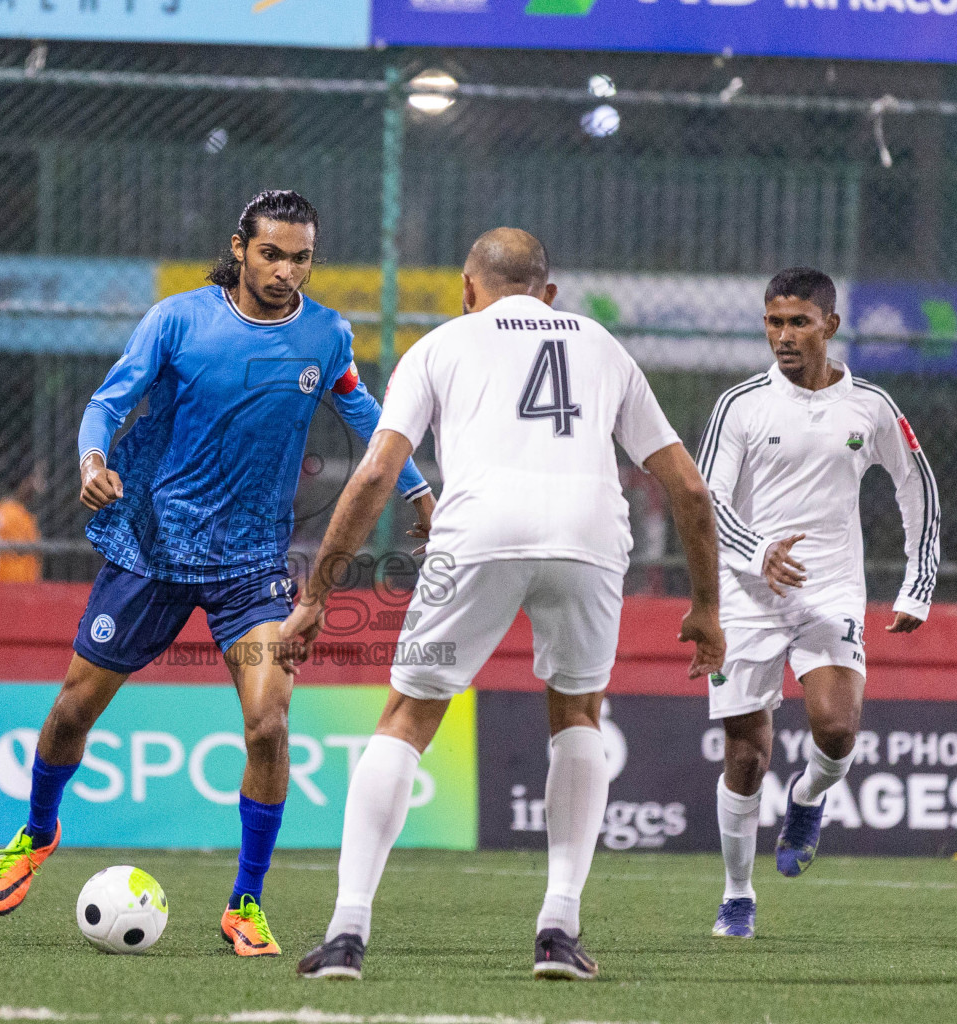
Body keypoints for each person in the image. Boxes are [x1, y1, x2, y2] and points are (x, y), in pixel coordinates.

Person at [0, 190, 435, 959]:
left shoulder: (327, 336)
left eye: (301, 258)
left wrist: (419, 487)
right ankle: (38, 828)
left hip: (251, 563)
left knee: (268, 725)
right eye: (272, 254)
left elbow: (364, 414)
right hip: (153, 550)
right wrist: (93, 461)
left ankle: (245, 902)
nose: (287, 270)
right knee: (69, 715)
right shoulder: (178, 319)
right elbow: (106, 403)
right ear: (240, 248)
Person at [279, 227, 725, 981]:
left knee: (407, 718)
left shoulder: (440, 345)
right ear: (548, 293)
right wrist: (707, 607)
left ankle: (348, 933)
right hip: (588, 531)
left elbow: (375, 476)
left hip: (479, 528)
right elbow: (687, 486)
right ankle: (559, 930)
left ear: (467, 288)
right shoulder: (601, 345)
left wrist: (316, 597)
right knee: (579, 714)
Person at [700, 267, 941, 940]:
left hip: (830, 588)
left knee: (835, 728)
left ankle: (807, 800)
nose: (783, 335)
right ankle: (737, 895)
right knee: (746, 756)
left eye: (798, 322)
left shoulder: (870, 406)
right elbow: (707, 500)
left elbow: (916, 487)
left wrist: (917, 582)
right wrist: (756, 553)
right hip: (748, 596)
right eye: (774, 321)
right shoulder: (740, 405)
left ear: (829, 326)